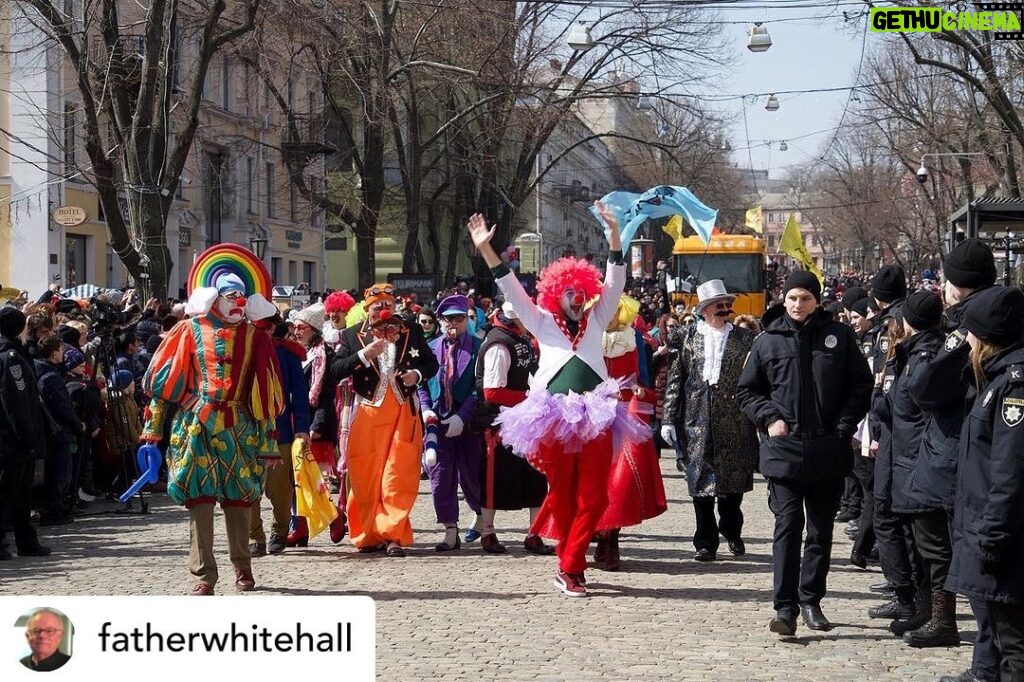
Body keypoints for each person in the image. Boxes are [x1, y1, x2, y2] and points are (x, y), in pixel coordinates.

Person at [466, 203, 641, 597]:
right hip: (552, 416)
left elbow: (616, 279)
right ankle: (571, 566)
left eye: (581, 291)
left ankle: (570, 563)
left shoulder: (598, 318)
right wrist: (487, 250)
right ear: (554, 294)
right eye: (569, 292)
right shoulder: (540, 321)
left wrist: (616, 237)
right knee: (561, 493)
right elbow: (509, 285)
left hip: (595, 414)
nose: (576, 298)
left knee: (594, 497)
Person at [737, 270, 872, 635]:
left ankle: (811, 599)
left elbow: (861, 386)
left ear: (818, 300)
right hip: (784, 450)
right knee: (788, 525)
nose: (799, 305)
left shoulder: (839, 337)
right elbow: (747, 392)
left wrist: (843, 427)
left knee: (819, 531)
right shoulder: (767, 341)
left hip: (827, 450)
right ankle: (785, 607)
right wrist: (769, 419)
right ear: (784, 299)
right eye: (793, 298)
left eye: (806, 298)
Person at [140, 274, 283, 595]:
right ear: (214, 298)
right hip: (195, 427)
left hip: (240, 428)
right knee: (199, 502)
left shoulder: (254, 336)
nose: (238, 303)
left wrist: (268, 439)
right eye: (231, 296)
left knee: (240, 500)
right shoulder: (188, 330)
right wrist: (153, 427)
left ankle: (243, 567)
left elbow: (265, 392)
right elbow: (164, 383)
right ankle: (203, 575)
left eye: (242, 297)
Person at [946, 286, 1024, 679]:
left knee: (1015, 648)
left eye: (972, 331)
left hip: (1004, 537)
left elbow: (1010, 471)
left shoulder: (1013, 385)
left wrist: (992, 536)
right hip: (990, 529)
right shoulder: (996, 378)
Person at [331, 284, 438, 557]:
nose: (384, 310)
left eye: (388, 304)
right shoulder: (351, 335)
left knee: (397, 474)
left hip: (403, 411)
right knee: (365, 474)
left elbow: (431, 364)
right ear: (367, 309)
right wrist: (363, 356)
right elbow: (336, 370)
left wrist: (416, 374)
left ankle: (393, 534)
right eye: (378, 306)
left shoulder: (410, 330)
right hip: (366, 413)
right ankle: (368, 533)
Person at [662, 279, 758, 562]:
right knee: (700, 484)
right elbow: (675, 380)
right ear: (705, 310)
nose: (726, 309)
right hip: (697, 419)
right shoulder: (688, 336)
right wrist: (668, 418)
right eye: (719, 306)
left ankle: (731, 529)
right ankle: (705, 542)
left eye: (728, 305)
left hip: (734, 419)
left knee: (731, 489)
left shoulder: (745, 339)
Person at [474, 301, 553, 555]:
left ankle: (534, 533)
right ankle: (487, 532)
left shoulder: (520, 337)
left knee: (536, 477)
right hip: (501, 422)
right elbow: (492, 391)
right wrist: (531, 398)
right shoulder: (499, 344)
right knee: (495, 478)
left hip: (526, 419)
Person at [419, 294, 484, 551]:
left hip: (468, 421)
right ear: (440, 321)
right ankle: (450, 529)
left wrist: (463, 414)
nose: (453, 324)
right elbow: (422, 382)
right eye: (448, 320)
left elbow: (482, 386)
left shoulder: (479, 347)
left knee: (471, 474)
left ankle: (480, 515)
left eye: (458, 318)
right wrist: (425, 409)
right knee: (440, 475)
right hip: (438, 419)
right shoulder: (431, 348)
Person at [249, 309, 310, 556]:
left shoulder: (287, 354)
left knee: (280, 489)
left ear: (272, 328)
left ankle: (280, 530)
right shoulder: (238, 351)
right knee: (246, 488)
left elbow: (300, 395)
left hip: (279, 430)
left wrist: (303, 428)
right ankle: (255, 536)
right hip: (247, 430)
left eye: (263, 327)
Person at [0, 308, 51, 560]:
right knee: (11, 493)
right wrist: (28, 436)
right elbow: (17, 401)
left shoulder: (13, 354)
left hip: (11, 438)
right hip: (13, 440)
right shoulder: (11, 359)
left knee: (20, 495)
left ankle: (26, 541)